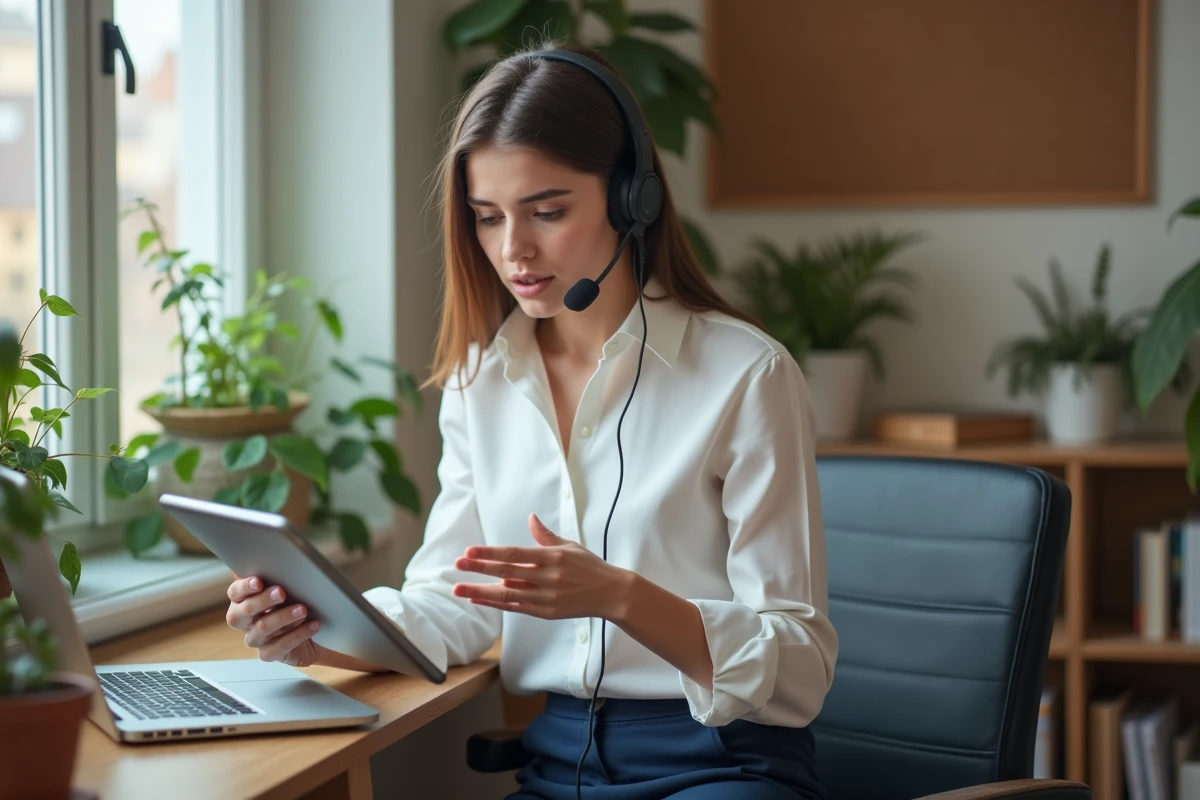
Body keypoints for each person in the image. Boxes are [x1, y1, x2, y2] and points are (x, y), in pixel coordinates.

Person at [224, 41, 837, 800]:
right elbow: (452, 602)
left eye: (547, 211)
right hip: (559, 767)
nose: (513, 251)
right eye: (487, 218)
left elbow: (801, 665)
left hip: (723, 764)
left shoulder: (747, 375)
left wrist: (620, 596)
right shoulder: (481, 381)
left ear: (629, 200)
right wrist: (317, 630)